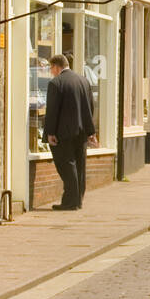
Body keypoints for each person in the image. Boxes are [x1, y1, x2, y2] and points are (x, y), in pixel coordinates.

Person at [45, 54, 96, 210]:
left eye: (51, 68)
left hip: (63, 133)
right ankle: (78, 199)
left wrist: (50, 133)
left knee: (66, 165)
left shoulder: (56, 83)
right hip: (81, 132)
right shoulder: (83, 81)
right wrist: (90, 131)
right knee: (80, 165)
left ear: (56, 66)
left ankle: (70, 201)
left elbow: (52, 110)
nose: (51, 72)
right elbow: (90, 107)